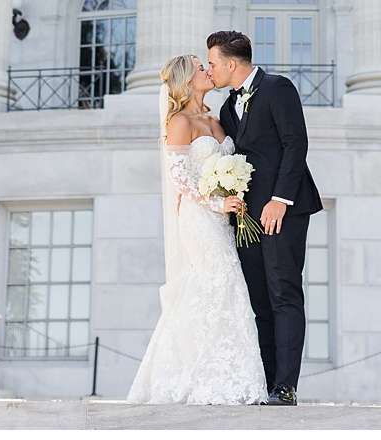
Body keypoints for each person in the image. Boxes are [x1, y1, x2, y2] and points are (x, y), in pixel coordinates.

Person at [126, 54, 267, 406]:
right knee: (223, 279)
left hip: (224, 217)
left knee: (223, 287)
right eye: (200, 68)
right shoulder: (180, 120)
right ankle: (201, 375)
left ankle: (223, 375)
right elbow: (180, 178)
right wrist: (217, 203)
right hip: (200, 218)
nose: (208, 70)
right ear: (187, 81)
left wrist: (231, 193)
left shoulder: (216, 118)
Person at [207, 29, 323, 407]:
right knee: (259, 300)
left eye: (211, 64)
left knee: (284, 293)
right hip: (245, 221)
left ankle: (286, 387)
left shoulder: (278, 88)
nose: (209, 70)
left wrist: (280, 199)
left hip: (282, 212)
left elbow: (296, 143)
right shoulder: (227, 108)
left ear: (229, 63)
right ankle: (268, 385)